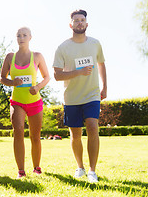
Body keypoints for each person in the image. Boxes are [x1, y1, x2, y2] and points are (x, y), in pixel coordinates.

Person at [53, 9, 107, 183]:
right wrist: (78, 72)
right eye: (76, 20)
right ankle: (80, 167)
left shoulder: (95, 44)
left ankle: (92, 171)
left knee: (92, 127)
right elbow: (57, 75)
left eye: (82, 20)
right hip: (72, 97)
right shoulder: (62, 47)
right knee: (75, 135)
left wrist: (104, 87)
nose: (79, 23)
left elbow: (101, 64)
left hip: (92, 94)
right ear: (71, 25)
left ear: (87, 23)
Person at [0, 27, 50, 178]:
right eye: (18, 36)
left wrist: (38, 87)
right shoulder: (10, 57)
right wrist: (12, 82)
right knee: (18, 131)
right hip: (17, 102)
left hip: (35, 101)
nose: (21, 38)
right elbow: (2, 78)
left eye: (24, 35)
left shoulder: (37, 56)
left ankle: (36, 167)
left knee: (35, 136)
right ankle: (21, 170)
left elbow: (47, 76)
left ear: (30, 37)